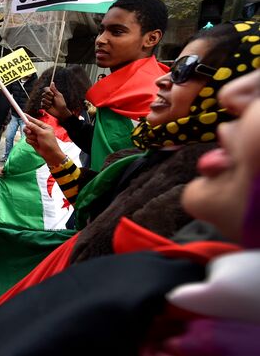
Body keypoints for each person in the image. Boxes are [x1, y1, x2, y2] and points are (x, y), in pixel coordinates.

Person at [0, 66, 260, 356]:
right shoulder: (144, 157)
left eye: (185, 70)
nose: (163, 79)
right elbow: (95, 201)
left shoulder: (184, 284)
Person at [25, 22, 259, 262]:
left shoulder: (209, 182)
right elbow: (98, 205)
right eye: (100, 30)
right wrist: (56, 153)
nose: (162, 81)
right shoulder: (157, 150)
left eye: (184, 69)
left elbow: (112, 247)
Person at [43, 0, 170, 171]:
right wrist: (66, 117)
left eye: (117, 32)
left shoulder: (156, 99)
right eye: (101, 31)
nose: (100, 40)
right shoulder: (121, 91)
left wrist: (56, 157)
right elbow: (103, 151)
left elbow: (126, 181)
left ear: (151, 39)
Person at [0, 66, 91, 230]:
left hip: (36, 202)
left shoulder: (46, 125)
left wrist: (8, 169)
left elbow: (25, 155)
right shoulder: (78, 121)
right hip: (63, 195)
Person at [0, 74, 36, 162]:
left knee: (24, 140)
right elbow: (7, 91)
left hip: (25, 116)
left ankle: (20, 160)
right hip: (14, 115)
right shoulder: (15, 80)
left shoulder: (35, 82)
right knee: (9, 137)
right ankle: (7, 157)